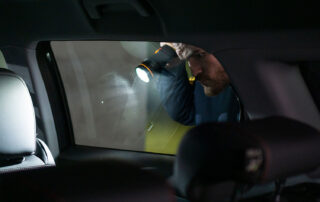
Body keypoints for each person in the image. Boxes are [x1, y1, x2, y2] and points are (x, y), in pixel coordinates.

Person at [156, 42, 241, 125]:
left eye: (200, 55)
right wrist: (171, 59)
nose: (195, 72)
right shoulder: (210, 84)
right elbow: (180, 112)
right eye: (187, 59)